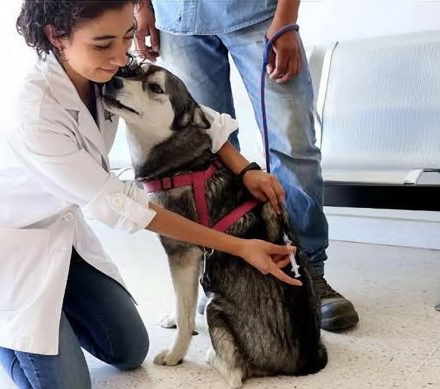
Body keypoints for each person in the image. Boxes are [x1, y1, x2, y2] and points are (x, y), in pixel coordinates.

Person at [0, 1, 302, 388]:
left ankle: (60, 307)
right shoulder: (36, 113)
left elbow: (195, 112)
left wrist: (245, 169)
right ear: (56, 36)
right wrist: (238, 247)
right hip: (14, 254)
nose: (121, 56)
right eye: (104, 43)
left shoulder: (105, 69)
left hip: (66, 240)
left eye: (127, 35)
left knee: (129, 351)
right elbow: (126, 206)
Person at [134, 0, 359, 331]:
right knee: (208, 153)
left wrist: (286, 18)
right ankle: (230, 279)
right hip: (178, 20)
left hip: (257, 15)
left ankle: (309, 273)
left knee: (292, 146)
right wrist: (142, 8)